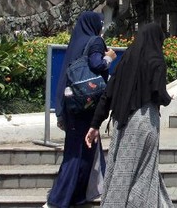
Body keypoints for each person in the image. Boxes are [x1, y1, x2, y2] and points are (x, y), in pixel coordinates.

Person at [85, 23, 173, 207]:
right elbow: (158, 92)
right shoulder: (156, 60)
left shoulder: (126, 61)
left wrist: (94, 125)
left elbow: (107, 95)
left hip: (122, 122)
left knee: (120, 171)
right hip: (146, 121)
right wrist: (168, 98)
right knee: (144, 172)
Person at [46, 11, 115, 208]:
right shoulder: (95, 41)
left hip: (72, 105)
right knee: (78, 153)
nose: (102, 26)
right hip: (86, 106)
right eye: (101, 23)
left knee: (83, 149)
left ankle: (79, 195)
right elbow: (97, 64)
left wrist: (60, 110)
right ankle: (60, 199)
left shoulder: (76, 42)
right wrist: (109, 57)